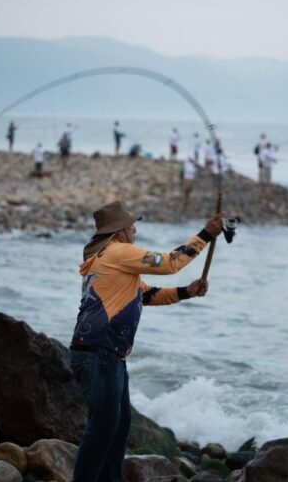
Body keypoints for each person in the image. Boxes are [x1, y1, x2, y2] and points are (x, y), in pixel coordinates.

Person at [69, 201, 222, 482]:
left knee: (118, 428)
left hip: (108, 355)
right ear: (119, 231)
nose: (135, 230)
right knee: (103, 428)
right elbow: (169, 263)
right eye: (131, 226)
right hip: (99, 354)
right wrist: (206, 235)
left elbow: (148, 295)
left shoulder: (111, 261)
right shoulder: (117, 252)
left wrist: (187, 292)